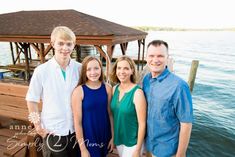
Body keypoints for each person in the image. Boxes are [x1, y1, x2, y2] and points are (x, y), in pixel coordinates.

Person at [26, 26, 81, 157]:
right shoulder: (42, 70)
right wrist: (37, 125)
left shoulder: (80, 68)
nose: (65, 48)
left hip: (76, 130)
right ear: (52, 44)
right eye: (61, 43)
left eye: (69, 44)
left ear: (74, 45)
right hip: (52, 130)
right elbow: (31, 100)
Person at [143, 40, 193, 157]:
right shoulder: (146, 80)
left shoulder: (179, 86)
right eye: (151, 56)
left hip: (167, 150)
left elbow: (186, 123)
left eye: (160, 56)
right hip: (149, 145)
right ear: (146, 58)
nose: (155, 60)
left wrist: (180, 154)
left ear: (167, 58)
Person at [72, 56, 114, 157]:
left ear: (101, 69)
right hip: (88, 138)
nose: (93, 72)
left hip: (104, 135)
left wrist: (113, 137)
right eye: (89, 69)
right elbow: (77, 123)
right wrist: (83, 149)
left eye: (96, 68)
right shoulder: (79, 91)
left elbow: (110, 114)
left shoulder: (107, 88)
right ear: (84, 72)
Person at [110, 55, 146, 157]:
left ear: (132, 71)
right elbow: (112, 116)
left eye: (126, 68)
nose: (122, 71)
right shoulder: (114, 89)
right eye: (119, 68)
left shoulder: (137, 93)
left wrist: (138, 149)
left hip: (133, 142)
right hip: (119, 139)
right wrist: (113, 137)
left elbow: (142, 124)